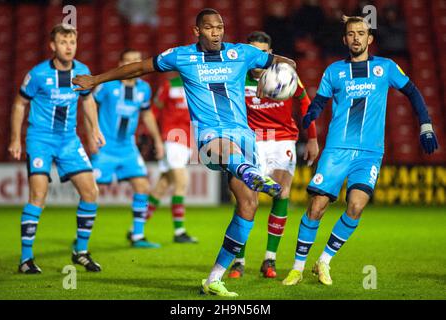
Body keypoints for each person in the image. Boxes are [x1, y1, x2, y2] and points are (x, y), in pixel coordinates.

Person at [72, 8, 297, 297]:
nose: (216, 32)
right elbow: (140, 67)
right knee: (225, 148)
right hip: (210, 138)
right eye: (209, 28)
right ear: (197, 31)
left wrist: (274, 79)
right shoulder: (182, 56)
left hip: (245, 138)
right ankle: (247, 171)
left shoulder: (242, 53)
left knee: (248, 205)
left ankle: (214, 278)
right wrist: (96, 79)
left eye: (220, 27)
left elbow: (286, 61)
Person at [282, 15, 439, 287]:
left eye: (361, 33)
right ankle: (297, 267)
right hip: (337, 150)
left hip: (369, 153)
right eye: (351, 34)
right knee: (317, 206)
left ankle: (325, 261)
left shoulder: (386, 68)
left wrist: (425, 125)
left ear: (370, 39)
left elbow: (413, 93)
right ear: (344, 40)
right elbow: (319, 101)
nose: (356, 37)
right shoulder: (333, 71)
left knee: (355, 206)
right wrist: (310, 116)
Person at [8, 23, 105, 274]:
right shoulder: (38, 74)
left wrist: (95, 130)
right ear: (53, 46)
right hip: (40, 139)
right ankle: (26, 258)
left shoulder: (82, 71)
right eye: (63, 42)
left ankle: (80, 252)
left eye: (72, 42)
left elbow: (88, 101)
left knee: (91, 192)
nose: (69, 46)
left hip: (69, 140)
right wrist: (15, 139)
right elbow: (20, 104)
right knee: (38, 197)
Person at [228, 31, 319, 279]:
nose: (257, 57)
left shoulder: (285, 74)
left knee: (282, 192)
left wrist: (311, 137)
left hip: (282, 138)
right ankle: (238, 259)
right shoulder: (236, 77)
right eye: (252, 51)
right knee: (247, 200)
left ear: (269, 54)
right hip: (251, 140)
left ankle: (270, 259)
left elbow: (305, 102)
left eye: (262, 53)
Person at [87, 48, 164, 248]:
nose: (133, 65)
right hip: (105, 147)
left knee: (143, 187)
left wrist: (157, 140)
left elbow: (147, 114)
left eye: (137, 61)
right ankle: (82, 236)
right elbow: (89, 108)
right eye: (128, 61)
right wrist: (90, 137)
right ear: (120, 63)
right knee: (89, 190)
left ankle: (137, 236)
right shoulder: (106, 86)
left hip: (128, 148)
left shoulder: (144, 88)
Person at [146, 73, 197, 244]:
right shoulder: (170, 85)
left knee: (162, 186)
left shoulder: (198, 85)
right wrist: (158, 139)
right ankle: (179, 231)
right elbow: (152, 112)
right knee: (181, 182)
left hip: (187, 140)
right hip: (173, 139)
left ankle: (136, 227)